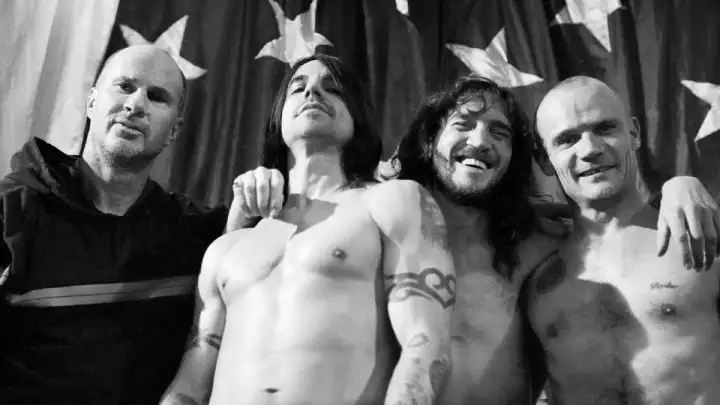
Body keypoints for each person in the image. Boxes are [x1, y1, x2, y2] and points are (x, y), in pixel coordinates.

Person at [231, 74, 720, 405]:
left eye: (499, 133)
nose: (480, 141)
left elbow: (610, 227)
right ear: (430, 142)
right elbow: (254, 290)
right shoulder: (373, 223)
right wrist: (250, 201)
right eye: (462, 125)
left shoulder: (539, 242)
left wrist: (679, 186)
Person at [160, 54, 456, 405]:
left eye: (332, 89)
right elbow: (191, 381)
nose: (312, 92)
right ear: (278, 117)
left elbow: (425, 342)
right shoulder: (228, 247)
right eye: (298, 87)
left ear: (357, 114)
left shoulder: (392, 201)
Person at [0, 45, 232, 404]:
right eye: (124, 86)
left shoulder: (199, 234)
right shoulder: (12, 211)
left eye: (156, 97)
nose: (136, 105)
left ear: (174, 130)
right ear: (92, 102)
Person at [525, 75, 720, 404]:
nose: (590, 149)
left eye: (605, 128)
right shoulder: (532, 270)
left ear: (634, 133)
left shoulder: (700, 234)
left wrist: (682, 182)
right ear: (544, 159)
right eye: (568, 139)